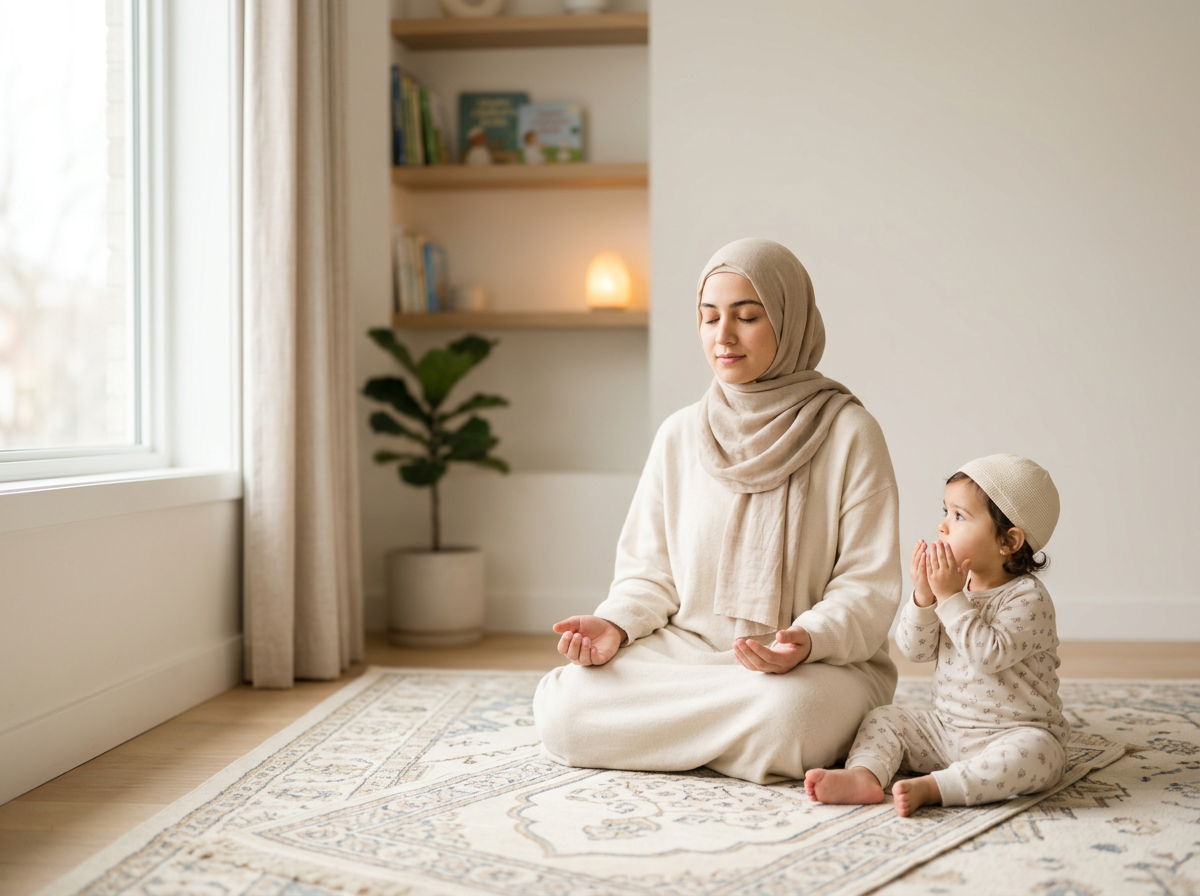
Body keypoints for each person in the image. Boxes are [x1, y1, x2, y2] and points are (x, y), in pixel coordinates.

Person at [532, 238, 903, 785]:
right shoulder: (680, 434)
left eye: (747, 317)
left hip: (810, 668)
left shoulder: (850, 432)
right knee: (564, 708)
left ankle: (675, 740)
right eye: (709, 318)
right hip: (686, 655)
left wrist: (805, 641)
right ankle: (730, 749)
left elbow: (867, 588)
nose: (722, 337)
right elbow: (648, 574)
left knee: (790, 718)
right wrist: (614, 625)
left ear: (790, 320)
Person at [805, 455, 1066, 816]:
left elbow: (987, 655)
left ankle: (937, 788)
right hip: (945, 731)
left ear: (1009, 541)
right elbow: (914, 650)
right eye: (945, 511)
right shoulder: (956, 587)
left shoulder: (1029, 599)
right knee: (885, 718)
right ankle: (864, 775)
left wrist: (949, 597)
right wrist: (924, 597)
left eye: (959, 516)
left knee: (1040, 755)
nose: (942, 526)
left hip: (1012, 733)